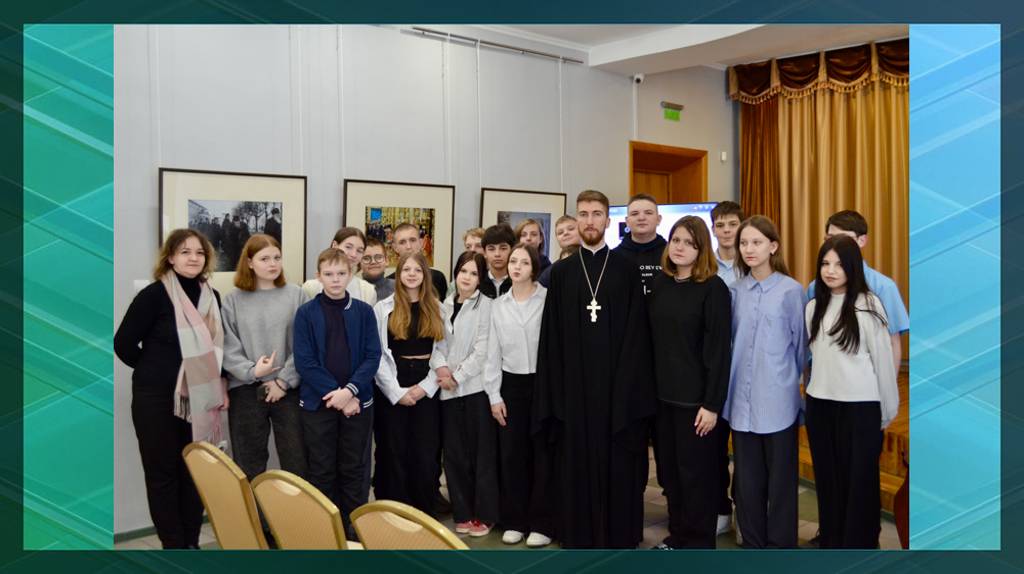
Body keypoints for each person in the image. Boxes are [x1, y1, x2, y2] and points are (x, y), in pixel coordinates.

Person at [535, 190, 656, 549]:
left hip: (616, 391)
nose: (590, 221)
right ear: (575, 220)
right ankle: (576, 533)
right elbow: (551, 338)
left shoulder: (626, 270)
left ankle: (619, 534)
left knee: (618, 465)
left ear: (607, 220)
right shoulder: (561, 274)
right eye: (583, 214)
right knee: (574, 463)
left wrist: (626, 389)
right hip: (573, 391)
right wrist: (556, 391)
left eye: (596, 214)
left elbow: (637, 336)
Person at [114, 229, 227, 549]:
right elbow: (122, 343)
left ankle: (191, 542)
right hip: (157, 400)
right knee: (163, 473)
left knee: (195, 470)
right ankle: (173, 546)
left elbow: (218, 349)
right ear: (171, 257)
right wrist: (156, 372)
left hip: (200, 398)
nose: (193, 258)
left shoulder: (212, 298)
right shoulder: (153, 295)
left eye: (199, 253)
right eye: (185, 252)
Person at [805, 235, 898, 549]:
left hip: (860, 408)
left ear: (853, 267)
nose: (830, 270)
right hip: (820, 405)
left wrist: (887, 410)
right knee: (828, 480)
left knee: (860, 482)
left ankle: (859, 546)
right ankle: (832, 541)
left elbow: (884, 363)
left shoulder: (869, 305)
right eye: (825, 263)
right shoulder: (813, 307)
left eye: (839, 264)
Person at [722, 215, 807, 549]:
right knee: (747, 482)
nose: (749, 249)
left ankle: (781, 546)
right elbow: (730, 343)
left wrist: (791, 386)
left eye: (756, 242)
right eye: (744, 243)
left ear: (773, 246)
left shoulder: (791, 291)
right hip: (740, 402)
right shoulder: (734, 291)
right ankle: (753, 544)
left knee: (781, 482)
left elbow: (801, 348)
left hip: (778, 401)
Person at [647, 216, 732, 549]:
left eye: (689, 243)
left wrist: (712, 404)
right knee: (670, 476)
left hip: (696, 405)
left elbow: (718, 351)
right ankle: (677, 536)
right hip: (662, 400)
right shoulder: (661, 284)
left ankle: (696, 545)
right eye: (676, 240)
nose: (680, 247)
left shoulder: (713, 289)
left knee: (696, 478)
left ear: (702, 249)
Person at [293, 247, 382, 540]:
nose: (335, 280)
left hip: (358, 403)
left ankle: (355, 534)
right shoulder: (306, 313)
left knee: (354, 469)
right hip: (319, 405)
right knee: (321, 470)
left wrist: (351, 392)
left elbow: (372, 356)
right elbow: (305, 362)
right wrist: (337, 395)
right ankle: (326, 535)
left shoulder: (364, 311)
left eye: (341, 274)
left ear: (351, 274)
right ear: (318, 276)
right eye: (328, 274)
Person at [481, 244, 554, 547]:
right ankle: (515, 520)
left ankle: (542, 523)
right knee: (512, 456)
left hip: (543, 384)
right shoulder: (499, 305)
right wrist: (494, 395)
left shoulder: (548, 300)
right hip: (510, 385)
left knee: (543, 456)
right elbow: (492, 354)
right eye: (513, 261)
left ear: (534, 268)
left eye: (524, 262)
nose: (517, 266)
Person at [221, 234, 308, 482]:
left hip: (288, 389)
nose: (273, 264)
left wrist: (283, 381)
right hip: (246, 389)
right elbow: (228, 345)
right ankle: (256, 521)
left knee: (297, 462)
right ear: (249, 263)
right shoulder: (232, 301)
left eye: (277, 258)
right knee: (249, 464)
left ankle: (294, 520)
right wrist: (252, 371)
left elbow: (306, 344)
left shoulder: (297, 295)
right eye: (265, 258)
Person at [373, 252, 450, 516]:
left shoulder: (439, 308)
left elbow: (444, 351)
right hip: (393, 383)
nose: (412, 274)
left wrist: (425, 388)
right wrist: (395, 392)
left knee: (426, 452)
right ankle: (395, 512)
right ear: (398, 274)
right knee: (393, 451)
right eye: (407, 269)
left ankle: (423, 513)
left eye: (418, 269)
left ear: (425, 275)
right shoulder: (383, 308)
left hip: (427, 383)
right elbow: (379, 355)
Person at [436, 251, 499, 537]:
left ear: (480, 278)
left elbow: (483, 350)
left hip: (475, 391)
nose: (467, 278)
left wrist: (458, 376)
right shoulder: (442, 306)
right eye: (463, 271)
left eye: (474, 273)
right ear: (455, 272)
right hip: (447, 392)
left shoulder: (488, 306)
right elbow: (435, 345)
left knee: (481, 457)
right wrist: (442, 371)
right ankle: (462, 512)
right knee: (455, 456)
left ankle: (483, 515)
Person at [806, 210, 909, 377]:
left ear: (862, 241)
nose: (835, 245)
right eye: (830, 239)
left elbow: (892, 343)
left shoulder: (883, 287)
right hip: (823, 383)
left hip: (864, 385)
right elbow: (810, 340)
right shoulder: (815, 287)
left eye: (844, 239)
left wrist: (888, 393)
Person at [708, 199, 744, 535]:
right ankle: (721, 507)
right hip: (716, 369)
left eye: (732, 224)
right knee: (716, 446)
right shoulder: (707, 267)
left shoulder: (754, 263)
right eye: (720, 225)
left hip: (748, 368)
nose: (727, 231)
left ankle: (746, 511)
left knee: (746, 447)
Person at [302, 228, 377, 305]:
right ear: (334, 245)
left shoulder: (368, 291)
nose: (353, 254)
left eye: (359, 251)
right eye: (348, 247)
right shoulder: (310, 288)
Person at [613, 194, 666, 296]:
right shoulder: (613, 257)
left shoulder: (672, 254)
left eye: (648, 213)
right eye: (635, 213)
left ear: (658, 219)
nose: (641, 218)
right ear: (627, 221)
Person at [389, 222, 448, 300]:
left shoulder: (437, 278)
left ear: (421, 243)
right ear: (395, 247)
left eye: (412, 240)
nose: (408, 247)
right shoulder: (390, 282)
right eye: (402, 242)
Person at [539, 215, 580, 287]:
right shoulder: (551, 272)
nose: (566, 233)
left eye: (571, 229)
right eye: (560, 232)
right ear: (557, 239)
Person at [480, 224, 516, 298]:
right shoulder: (477, 282)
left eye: (503, 248)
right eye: (491, 249)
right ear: (484, 253)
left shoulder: (519, 282)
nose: (497, 254)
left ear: (512, 250)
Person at [361, 237, 396, 302]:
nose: (373, 262)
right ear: (359, 263)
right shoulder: (352, 291)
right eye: (366, 258)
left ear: (387, 261)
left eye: (378, 257)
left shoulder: (399, 288)